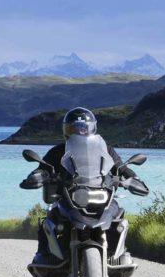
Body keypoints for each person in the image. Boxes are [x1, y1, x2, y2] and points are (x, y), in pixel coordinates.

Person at [20, 107, 143, 265]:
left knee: (118, 217)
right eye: (74, 128)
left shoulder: (106, 151)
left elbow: (122, 168)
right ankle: (44, 257)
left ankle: (119, 255)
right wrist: (36, 176)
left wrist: (133, 179)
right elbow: (43, 168)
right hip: (69, 197)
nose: (79, 132)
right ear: (67, 130)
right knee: (49, 219)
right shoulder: (58, 151)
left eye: (83, 128)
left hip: (101, 194)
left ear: (91, 128)